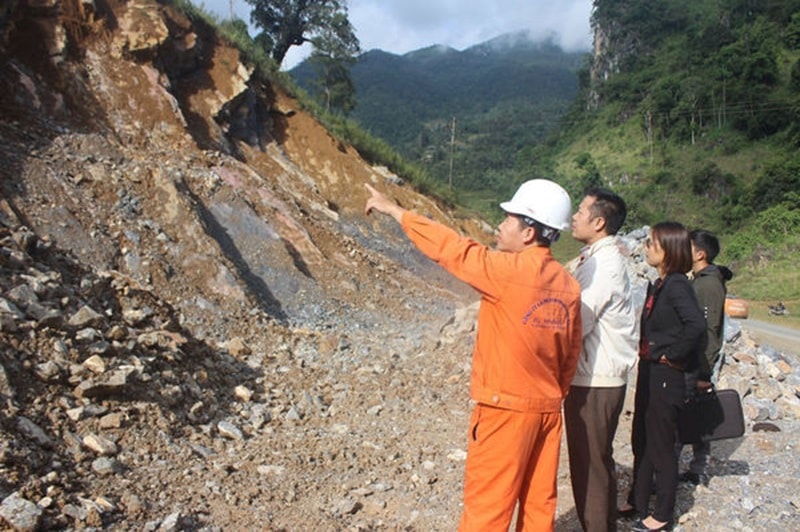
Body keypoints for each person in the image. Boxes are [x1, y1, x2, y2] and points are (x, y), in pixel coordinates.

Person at [365, 179, 582, 531]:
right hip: (547, 411)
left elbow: (451, 248)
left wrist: (396, 211)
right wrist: (552, 394)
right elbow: (570, 353)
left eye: (509, 219)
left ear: (529, 233)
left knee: (488, 510)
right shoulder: (568, 285)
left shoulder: (504, 272)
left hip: (504, 410)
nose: (500, 225)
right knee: (538, 508)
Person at [621, 222, 706, 532]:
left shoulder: (677, 284)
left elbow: (696, 325)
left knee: (660, 444)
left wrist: (672, 355)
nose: (646, 248)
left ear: (667, 249)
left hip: (666, 373)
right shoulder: (661, 283)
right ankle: (638, 500)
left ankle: (662, 514)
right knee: (641, 438)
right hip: (650, 369)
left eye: (651, 243)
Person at [565, 188, 639, 532]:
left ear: (598, 222)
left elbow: (577, 322)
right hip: (595, 377)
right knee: (594, 460)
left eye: (581, 211)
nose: (574, 216)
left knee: (590, 464)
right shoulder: (594, 258)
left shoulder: (603, 265)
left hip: (595, 380)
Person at [677, 229, 733, 486]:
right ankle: (696, 466)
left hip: (699, 363)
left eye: (687, 246)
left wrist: (704, 371)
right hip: (695, 359)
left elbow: (711, 329)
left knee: (689, 413)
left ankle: (694, 468)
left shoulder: (709, 284)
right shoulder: (699, 279)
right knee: (694, 413)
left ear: (700, 254)